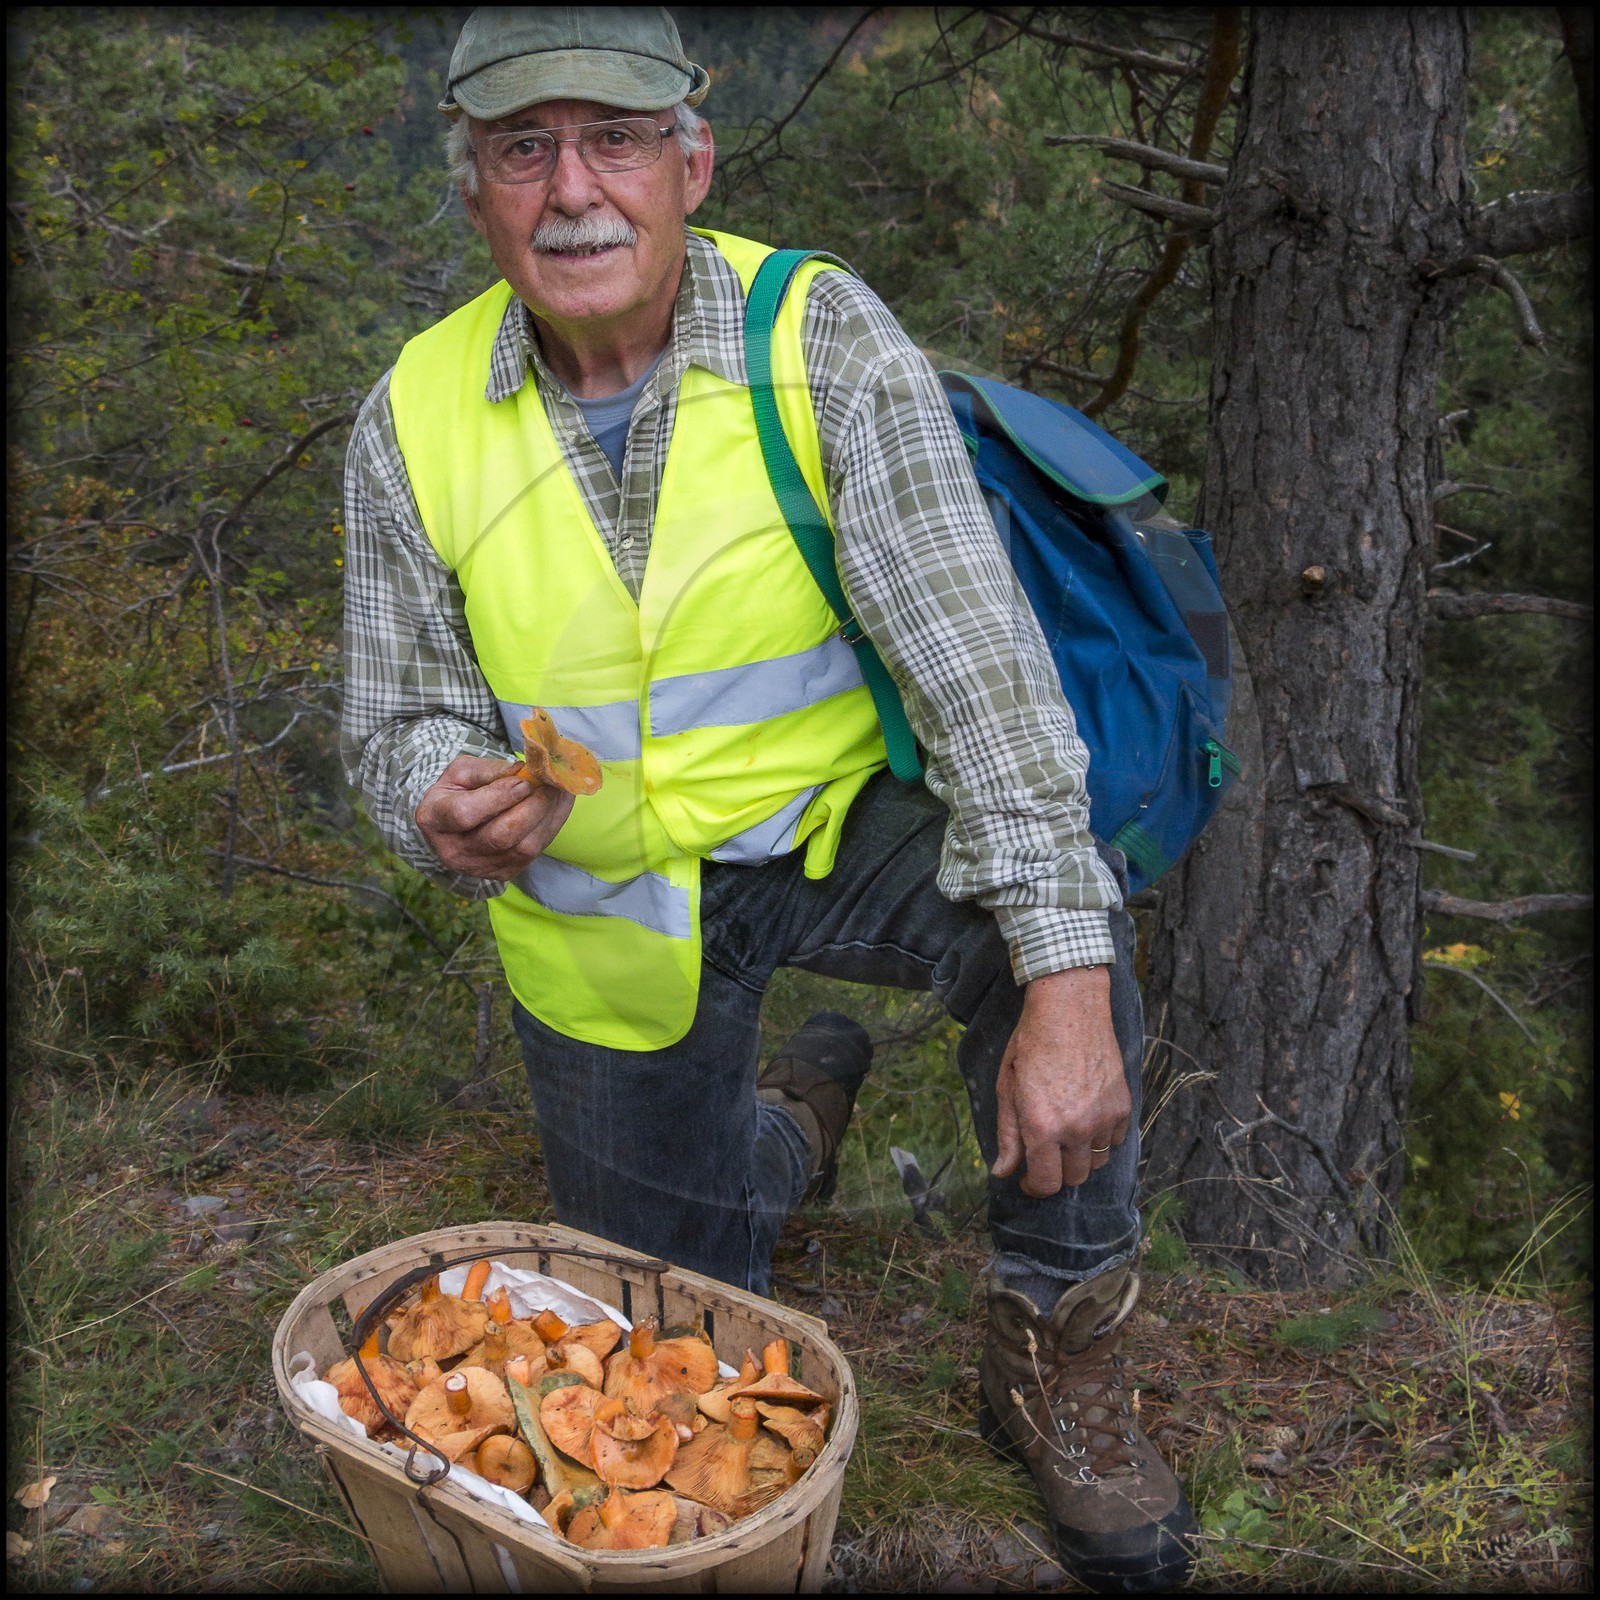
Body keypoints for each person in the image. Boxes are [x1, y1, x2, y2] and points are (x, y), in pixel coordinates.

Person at [340, 6, 1198, 1589]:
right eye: (525, 151)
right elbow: (399, 716)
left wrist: (1072, 986)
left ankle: (1058, 1347)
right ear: (473, 192)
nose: (574, 191)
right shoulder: (413, 411)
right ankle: (798, 1120)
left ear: (692, 164)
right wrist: (432, 795)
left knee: (1048, 935)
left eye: (616, 140)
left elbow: (986, 678)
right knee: (674, 1332)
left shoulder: (819, 337)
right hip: (606, 902)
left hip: (835, 827)